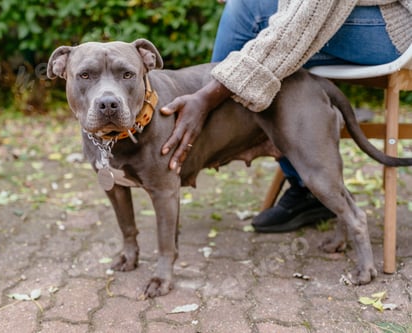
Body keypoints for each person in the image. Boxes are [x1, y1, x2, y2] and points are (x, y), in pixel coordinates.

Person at [160, 0, 412, 233]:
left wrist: (207, 98)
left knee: (248, 13)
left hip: (398, 28)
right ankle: (308, 178)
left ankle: (192, 150)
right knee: (247, 9)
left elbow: (306, 16)